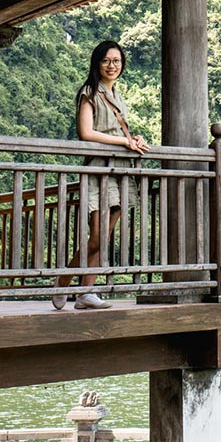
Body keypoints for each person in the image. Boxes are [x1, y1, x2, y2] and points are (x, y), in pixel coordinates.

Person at [55, 39, 149, 310]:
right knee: (96, 236)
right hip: (98, 169)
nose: (112, 65)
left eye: (117, 61)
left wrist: (133, 139)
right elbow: (87, 133)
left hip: (119, 171)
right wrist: (123, 142)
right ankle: (63, 283)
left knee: (105, 237)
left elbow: (118, 131)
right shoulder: (90, 92)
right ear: (97, 63)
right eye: (107, 60)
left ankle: (86, 293)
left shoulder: (117, 94)